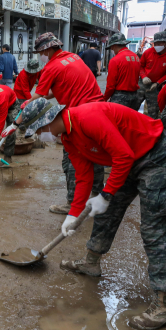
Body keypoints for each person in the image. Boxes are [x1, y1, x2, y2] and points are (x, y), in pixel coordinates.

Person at [21, 97, 166, 330]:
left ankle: (164, 306)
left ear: (49, 120)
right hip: (128, 159)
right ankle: (91, 263)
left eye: (39, 130)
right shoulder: (68, 138)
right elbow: (84, 176)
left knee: (155, 229)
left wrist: (106, 194)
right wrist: (73, 215)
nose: (40, 136)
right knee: (106, 213)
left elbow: (123, 156)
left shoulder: (87, 118)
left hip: (156, 156)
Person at [13, 32, 105, 215]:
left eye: (40, 52)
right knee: (95, 152)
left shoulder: (51, 67)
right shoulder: (73, 58)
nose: (40, 56)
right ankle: (98, 192)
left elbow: (37, 98)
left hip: (80, 117)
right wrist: (32, 99)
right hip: (99, 111)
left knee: (71, 159)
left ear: (47, 49)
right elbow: (56, 90)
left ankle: (73, 205)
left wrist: (16, 123)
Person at [138, 31, 166, 119]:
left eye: (159, 43)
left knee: (153, 112)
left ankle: (151, 130)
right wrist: (143, 76)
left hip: (156, 86)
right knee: (133, 106)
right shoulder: (148, 52)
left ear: (165, 43)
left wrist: (158, 83)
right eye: (155, 43)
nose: (156, 45)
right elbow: (140, 66)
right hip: (143, 82)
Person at [103, 33, 141, 109]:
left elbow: (110, 86)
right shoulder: (135, 57)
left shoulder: (115, 60)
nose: (112, 51)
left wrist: (104, 99)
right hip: (135, 96)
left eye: (111, 48)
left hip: (120, 98)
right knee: (131, 120)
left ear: (114, 46)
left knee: (116, 120)